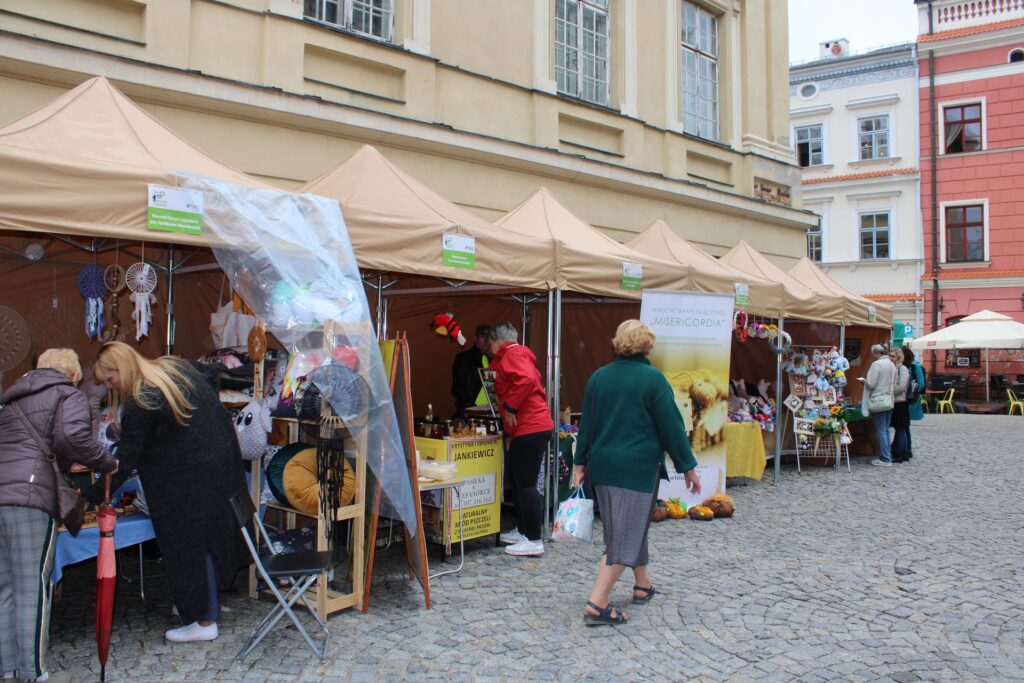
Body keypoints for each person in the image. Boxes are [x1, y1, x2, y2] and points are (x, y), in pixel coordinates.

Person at [88, 342, 247, 644]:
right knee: (205, 543)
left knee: (187, 546)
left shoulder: (142, 399)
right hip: (219, 465)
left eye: (110, 380)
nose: (111, 387)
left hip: (186, 479)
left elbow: (126, 459)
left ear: (121, 368)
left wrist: (94, 495)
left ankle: (202, 619)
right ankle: (202, 608)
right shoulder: (174, 368)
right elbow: (211, 373)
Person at [571, 320, 700, 627]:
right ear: (647, 346)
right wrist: (688, 467)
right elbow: (671, 427)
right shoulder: (653, 379)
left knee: (627, 527)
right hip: (636, 470)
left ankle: (642, 584)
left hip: (603, 468)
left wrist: (579, 464)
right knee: (625, 535)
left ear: (618, 343)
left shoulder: (599, 377)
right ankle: (598, 602)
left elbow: (585, 425)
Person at [0, 349, 118, 683]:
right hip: (29, 495)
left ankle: (8, 670)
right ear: (73, 375)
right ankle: (35, 673)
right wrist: (107, 463)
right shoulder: (67, 393)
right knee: (31, 586)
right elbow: (73, 438)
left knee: (5, 587)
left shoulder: (12, 398)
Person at [487, 321, 553, 557]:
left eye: (490, 342)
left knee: (526, 485)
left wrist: (509, 407)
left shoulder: (511, 355)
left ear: (498, 341)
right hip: (528, 427)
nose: (488, 347)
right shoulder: (517, 354)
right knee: (519, 482)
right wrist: (511, 433)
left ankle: (534, 540)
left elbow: (526, 381)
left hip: (531, 427)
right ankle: (524, 531)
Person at [864, 343, 896, 467]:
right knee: (886, 429)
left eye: (873, 353)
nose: (872, 355)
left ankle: (885, 458)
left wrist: (864, 382)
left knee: (880, 430)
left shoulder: (876, 364)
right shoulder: (891, 364)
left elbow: (871, 384)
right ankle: (887, 455)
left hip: (878, 400)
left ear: (877, 353)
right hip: (889, 399)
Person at [451, 325, 491, 416]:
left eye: (488, 337)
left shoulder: (494, 359)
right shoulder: (463, 358)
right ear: (475, 338)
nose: (486, 340)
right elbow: (457, 387)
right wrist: (469, 405)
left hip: (490, 410)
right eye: (482, 336)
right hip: (470, 411)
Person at [902, 345, 926, 459]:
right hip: (903, 399)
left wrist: (909, 392)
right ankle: (904, 448)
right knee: (903, 425)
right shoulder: (903, 366)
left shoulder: (915, 366)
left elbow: (921, 384)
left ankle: (908, 449)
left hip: (911, 399)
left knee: (905, 425)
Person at [889, 348, 912, 463]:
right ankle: (902, 452)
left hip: (901, 402)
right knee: (899, 429)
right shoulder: (894, 368)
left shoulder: (902, 369)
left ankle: (901, 453)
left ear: (899, 357)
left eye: (893, 356)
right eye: (890, 356)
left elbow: (902, 387)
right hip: (895, 402)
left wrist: (888, 390)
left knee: (901, 429)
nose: (891, 358)